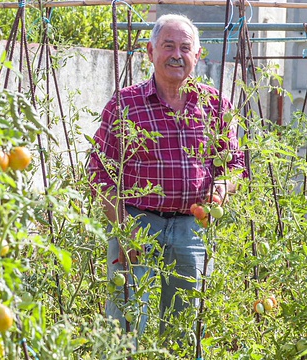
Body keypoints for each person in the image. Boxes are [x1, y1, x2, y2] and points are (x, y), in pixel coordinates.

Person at [88, 14, 246, 336]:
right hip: (137, 224)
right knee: (127, 324)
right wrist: (125, 229)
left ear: (198, 55)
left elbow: (234, 165)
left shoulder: (215, 105)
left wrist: (221, 191)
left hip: (193, 228)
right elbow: (99, 172)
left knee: (185, 329)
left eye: (185, 47)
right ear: (150, 51)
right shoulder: (125, 104)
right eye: (168, 46)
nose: (177, 54)